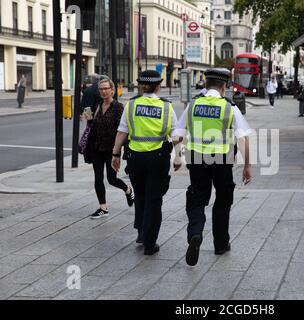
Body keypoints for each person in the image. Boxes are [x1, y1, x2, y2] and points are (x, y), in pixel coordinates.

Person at [172, 68, 252, 266]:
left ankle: (195, 234)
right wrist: (247, 165)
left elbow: (178, 134)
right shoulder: (229, 107)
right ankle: (221, 244)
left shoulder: (193, 105)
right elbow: (242, 138)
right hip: (222, 160)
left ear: (206, 84)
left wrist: (177, 155)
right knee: (223, 201)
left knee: (197, 198)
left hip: (196, 159)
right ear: (224, 86)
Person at [111, 70, 178, 256]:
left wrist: (115, 154)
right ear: (158, 86)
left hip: (135, 159)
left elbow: (121, 132)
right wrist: (178, 154)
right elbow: (176, 134)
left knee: (140, 195)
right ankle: (150, 243)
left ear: (141, 85)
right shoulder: (166, 107)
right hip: (158, 159)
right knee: (154, 199)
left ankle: (141, 232)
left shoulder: (131, 105)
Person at [83, 79, 134, 219]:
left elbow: (123, 130)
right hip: (96, 147)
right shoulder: (97, 105)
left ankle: (128, 189)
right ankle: (103, 207)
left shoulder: (118, 107)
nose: (104, 91)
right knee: (98, 178)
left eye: (106, 88)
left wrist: (118, 152)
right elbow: (90, 123)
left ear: (112, 90)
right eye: (101, 89)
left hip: (111, 149)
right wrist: (87, 116)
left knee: (112, 179)